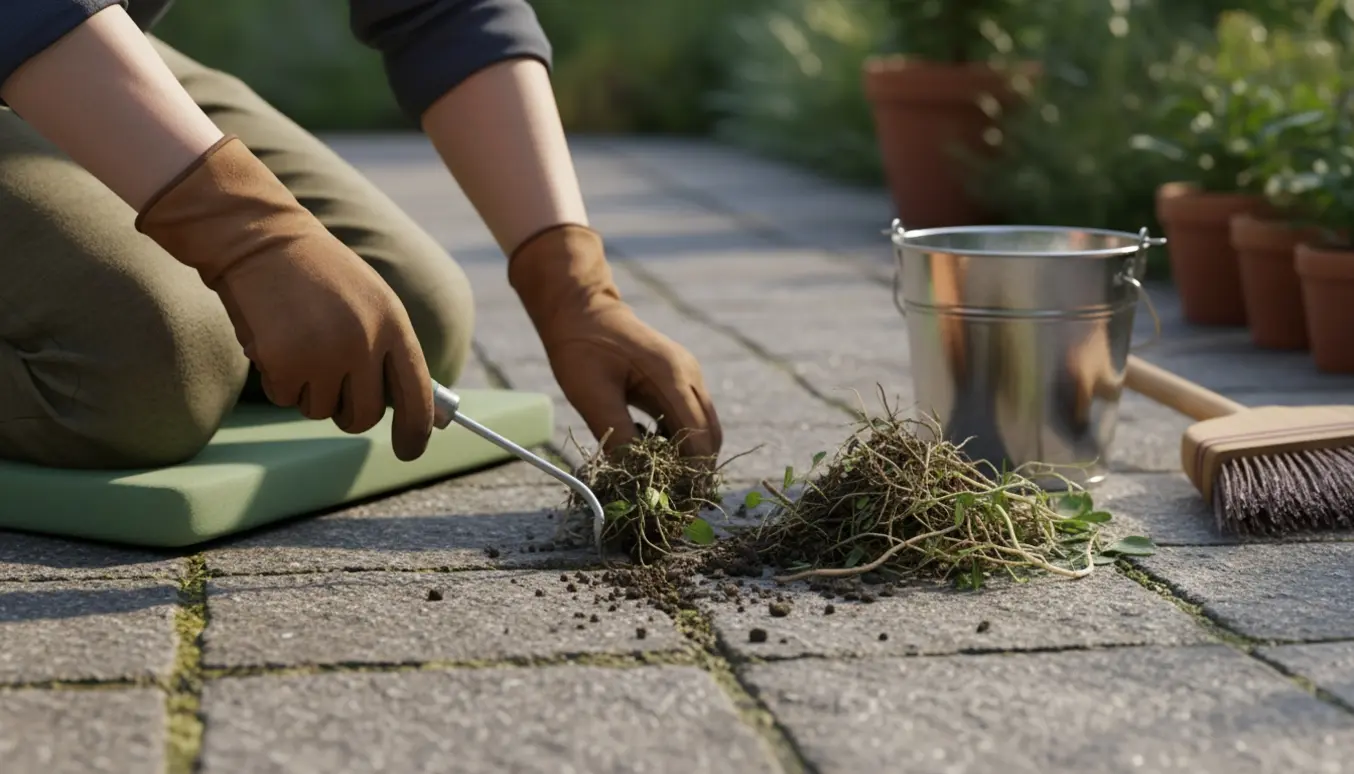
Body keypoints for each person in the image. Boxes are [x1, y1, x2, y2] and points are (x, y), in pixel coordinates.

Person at [0, 0, 723, 470]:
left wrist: (572, 287)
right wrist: (251, 236)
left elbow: (445, 11)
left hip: (79, 31)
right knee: (144, 371)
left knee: (411, 319)